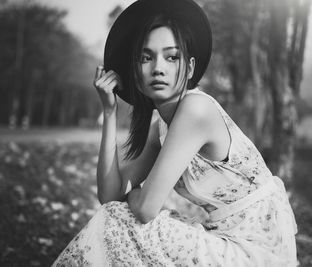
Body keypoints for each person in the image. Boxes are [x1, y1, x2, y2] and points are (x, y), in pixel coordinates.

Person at [52, 0, 297, 266]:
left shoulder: (196, 109)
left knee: (118, 219)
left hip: (253, 253)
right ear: (135, 72)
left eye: (171, 57)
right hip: (225, 240)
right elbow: (110, 195)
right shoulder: (160, 126)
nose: (158, 68)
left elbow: (145, 209)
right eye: (146, 58)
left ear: (190, 68)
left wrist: (133, 196)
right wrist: (109, 113)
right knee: (115, 213)